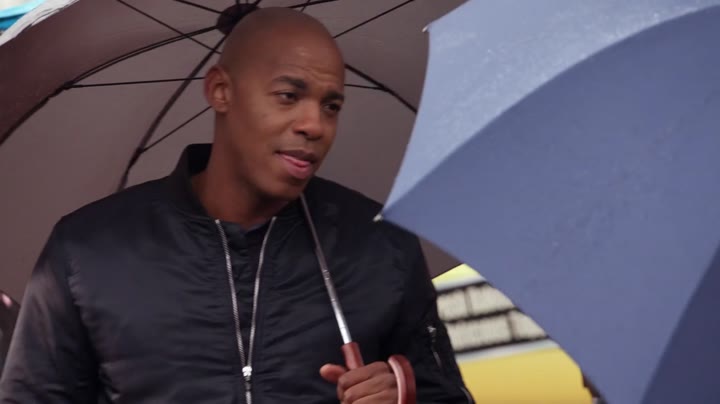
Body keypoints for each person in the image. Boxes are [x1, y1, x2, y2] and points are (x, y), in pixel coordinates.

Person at [0, 7, 472, 404]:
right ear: (220, 91)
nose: (314, 124)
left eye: (331, 106)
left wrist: (403, 394)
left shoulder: (379, 244)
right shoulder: (87, 250)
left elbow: (446, 396)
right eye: (289, 96)